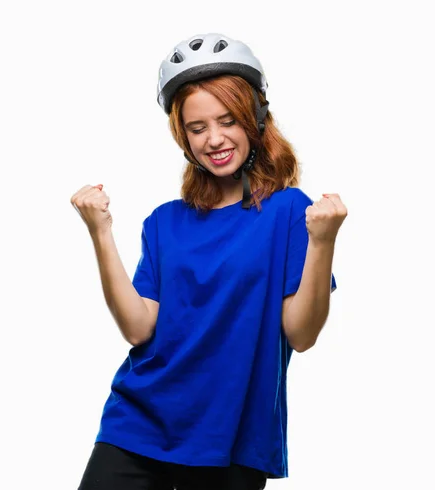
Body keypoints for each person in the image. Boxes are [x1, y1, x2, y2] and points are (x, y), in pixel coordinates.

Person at [70, 33, 347, 490]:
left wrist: (323, 243)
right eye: (198, 128)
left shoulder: (287, 212)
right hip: (137, 427)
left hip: (232, 440)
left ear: (255, 120)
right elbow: (139, 329)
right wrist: (100, 233)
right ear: (184, 137)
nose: (214, 139)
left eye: (228, 121)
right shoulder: (164, 222)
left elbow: (301, 335)